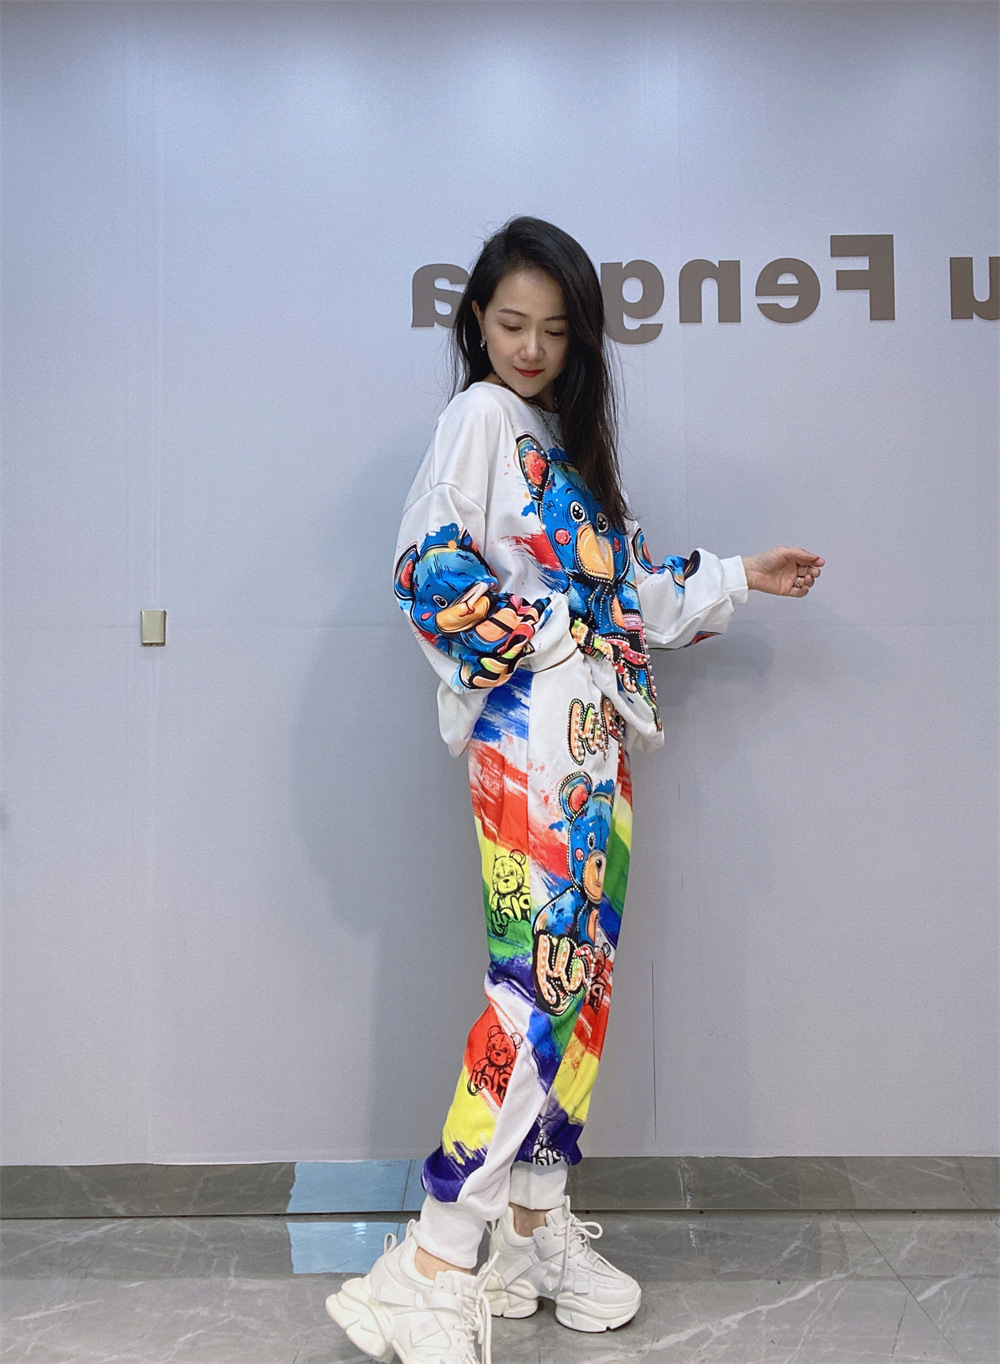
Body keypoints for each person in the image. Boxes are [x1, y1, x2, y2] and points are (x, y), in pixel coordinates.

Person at [326, 217, 823, 1364]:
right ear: (476, 321)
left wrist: (738, 575)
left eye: (553, 329)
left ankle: (532, 1227)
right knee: (537, 986)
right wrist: (549, 638)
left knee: (580, 989)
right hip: (529, 737)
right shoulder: (477, 418)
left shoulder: (561, 447)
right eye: (511, 323)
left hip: (596, 747)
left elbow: (628, 589)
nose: (530, 347)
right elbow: (427, 567)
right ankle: (433, 1257)